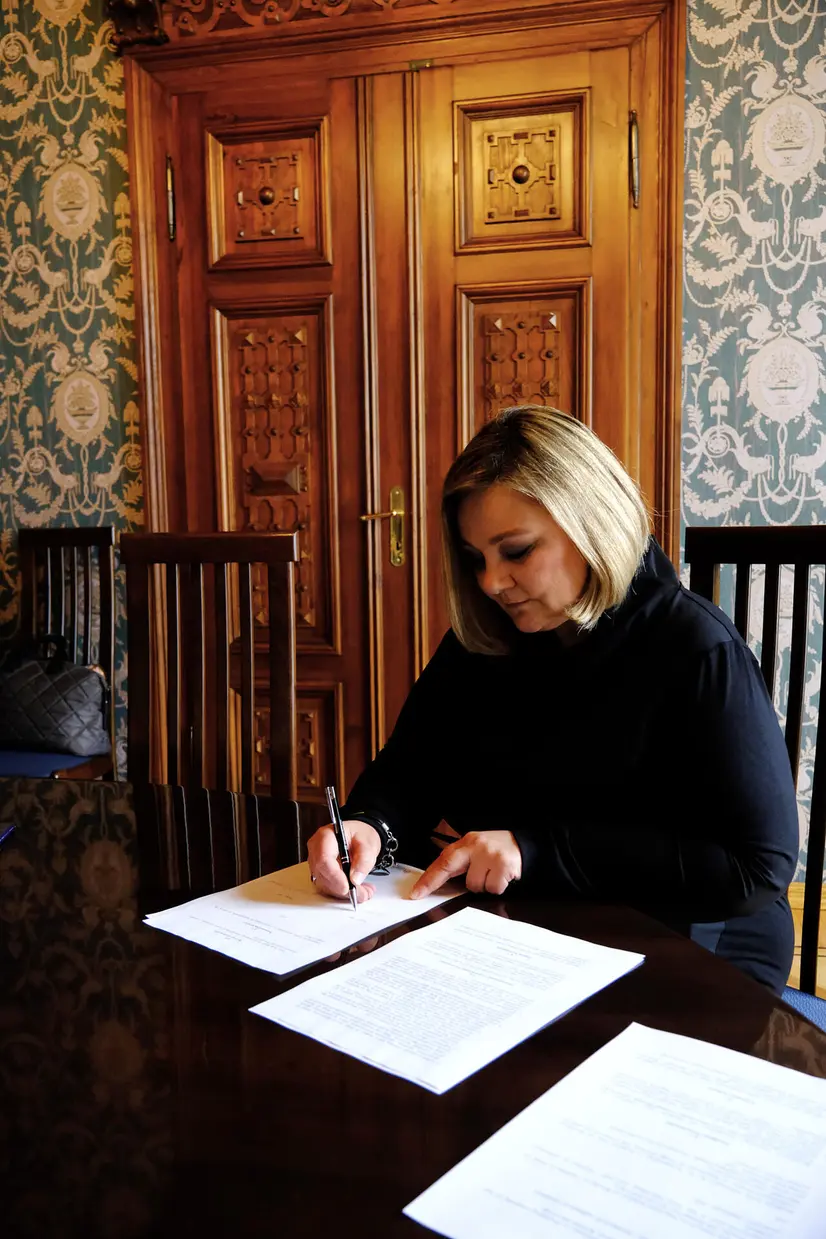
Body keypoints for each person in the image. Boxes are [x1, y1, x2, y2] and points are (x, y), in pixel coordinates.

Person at [307, 405, 798, 994]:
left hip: (690, 940)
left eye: (516, 551)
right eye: (475, 559)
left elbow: (757, 866)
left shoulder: (695, 647)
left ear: (591, 524)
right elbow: (412, 767)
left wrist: (534, 850)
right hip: (537, 925)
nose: (491, 583)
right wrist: (369, 824)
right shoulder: (484, 639)